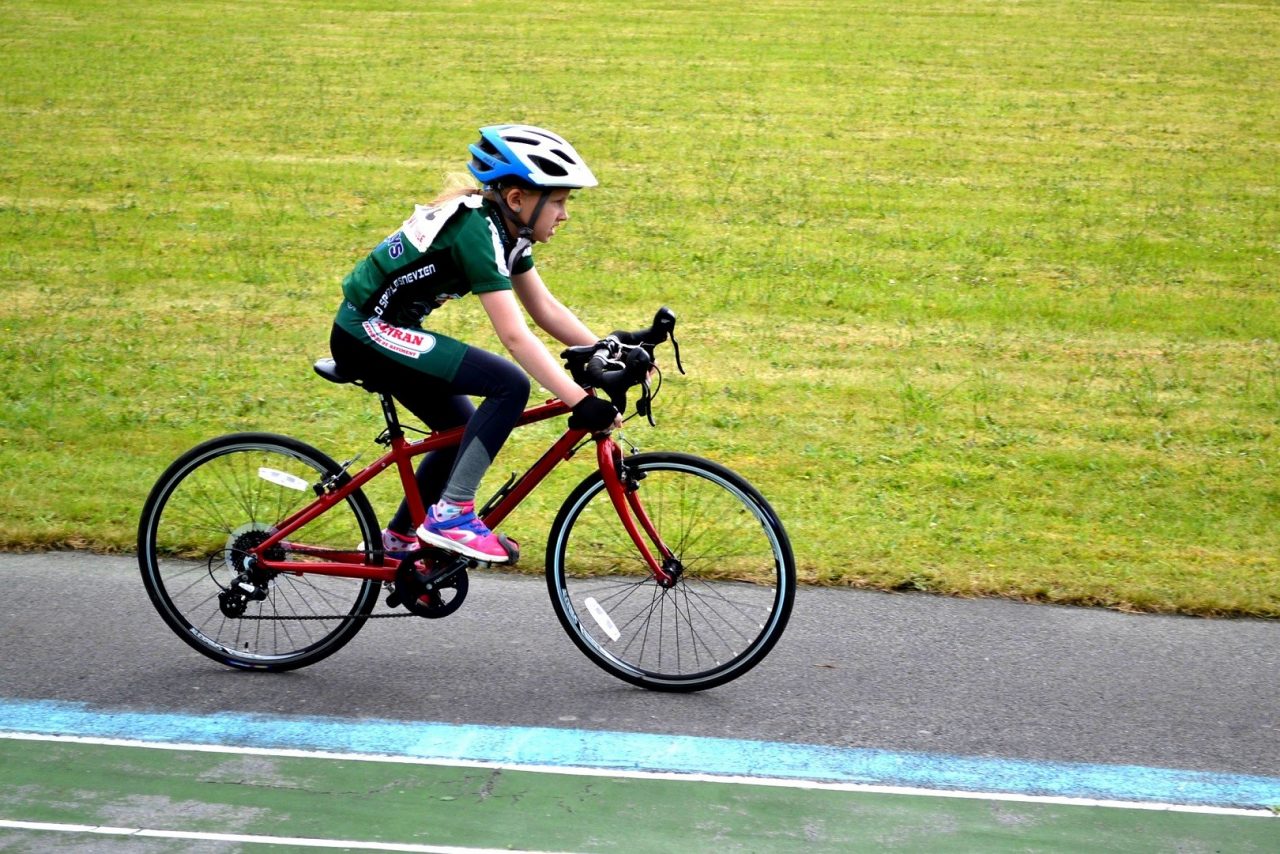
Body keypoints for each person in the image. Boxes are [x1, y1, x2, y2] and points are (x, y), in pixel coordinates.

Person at [329, 124, 620, 563]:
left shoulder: (507, 233)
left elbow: (545, 309)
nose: (565, 215)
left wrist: (608, 349)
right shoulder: (477, 231)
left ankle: (400, 541)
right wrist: (578, 400)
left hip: (386, 330)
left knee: (460, 431)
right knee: (508, 383)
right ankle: (452, 515)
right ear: (518, 200)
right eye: (558, 202)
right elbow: (515, 336)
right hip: (364, 332)